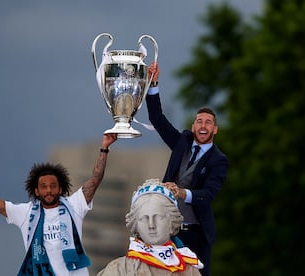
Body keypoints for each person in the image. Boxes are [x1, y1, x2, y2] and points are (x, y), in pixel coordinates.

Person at [0, 133, 117, 276]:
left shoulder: (74, 205)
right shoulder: (26, 213)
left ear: (60, 188)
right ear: (36, 191)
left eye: (53, 186)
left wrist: (104, 148)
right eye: (44, 186)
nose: (49, 190)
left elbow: (95, 179)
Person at [145, 62, 229, 276]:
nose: (203, 125)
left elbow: (208, 194)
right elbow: (157, 119)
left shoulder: (219, 160)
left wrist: (182, 193)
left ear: (215, 129)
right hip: (168, 231)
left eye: (208, 122)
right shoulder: (182, 142)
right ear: (193, 127)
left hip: (196, 234)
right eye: (199, 121)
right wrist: (153, 84)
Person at [98, 179, 203, 275]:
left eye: (159, 217)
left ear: (172, 222)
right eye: (144, 218)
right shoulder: (118, 269)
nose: (151, 225)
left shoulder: (190, 271)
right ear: (136, 225)